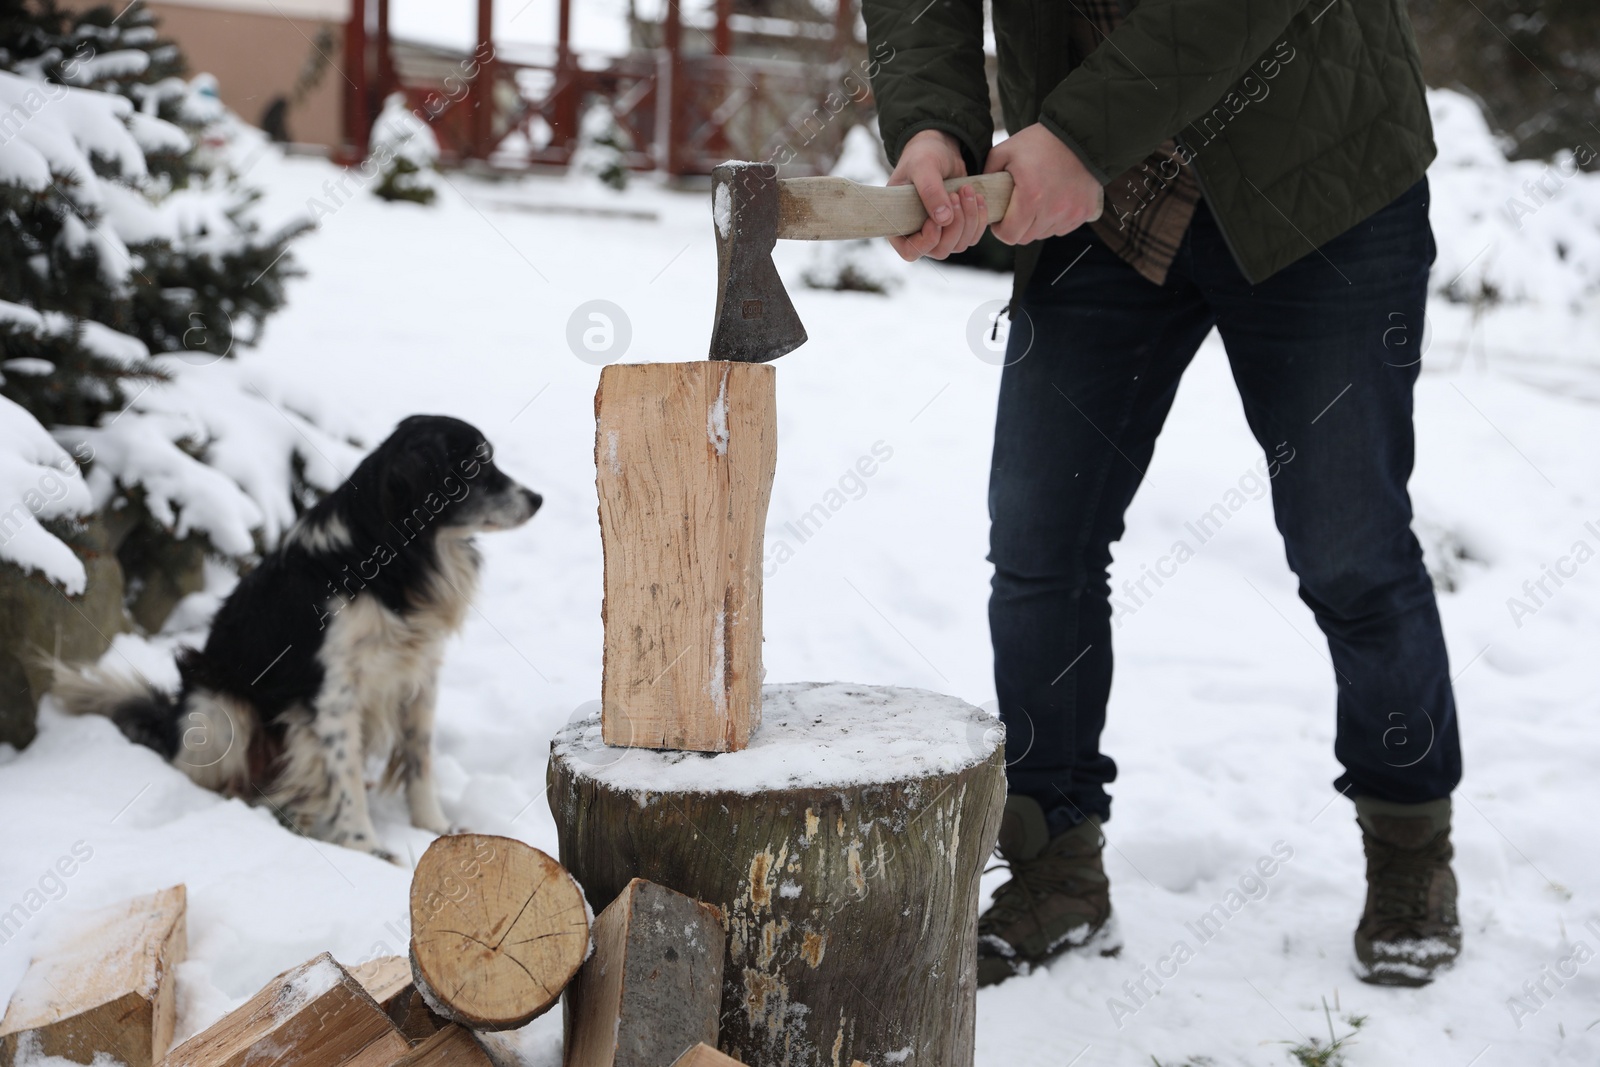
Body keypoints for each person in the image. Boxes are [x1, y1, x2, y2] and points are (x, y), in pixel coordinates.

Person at [861, 0, 1463, 987]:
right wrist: (933, 127)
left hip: (1314, 174)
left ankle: (1409, 842)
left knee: (1345, 543)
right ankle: (1054, 862)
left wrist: (1078, 134)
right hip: (1103, 201)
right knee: (1038, 537)